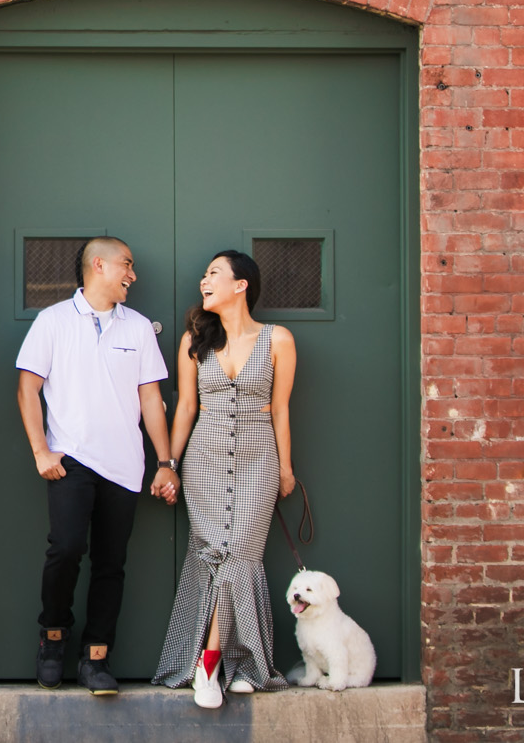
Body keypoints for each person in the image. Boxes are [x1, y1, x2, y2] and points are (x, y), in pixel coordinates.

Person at [15, 235, 178, 695]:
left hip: (125, 465)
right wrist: (40, 451)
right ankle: (52, 637)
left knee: (112, 564)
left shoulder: (139, 327)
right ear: (99, 265)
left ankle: (96, 657)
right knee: (65, 549)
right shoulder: (53, 321)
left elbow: (151, 399)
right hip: (71, 461)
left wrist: (164, 462)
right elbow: (28, 388)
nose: (133, 275)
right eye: (127, 264)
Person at [153, 250, 297, 708]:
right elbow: (186, 409)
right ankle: (237, 665)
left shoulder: (278, 339)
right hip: (205, 458)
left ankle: (209, 663)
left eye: (213, 273)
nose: (203, 280)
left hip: (259, 458)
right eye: (203, 273)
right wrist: (168, 465)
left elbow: (280, 409)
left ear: (242, 285)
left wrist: (286, 468)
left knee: (240, 555)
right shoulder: (193, 340)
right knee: (212, 552)